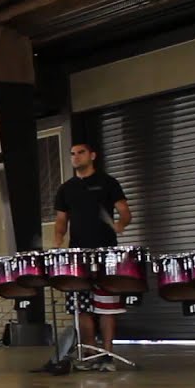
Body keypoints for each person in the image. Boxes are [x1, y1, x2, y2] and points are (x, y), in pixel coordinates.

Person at [54, 141, 132, 372]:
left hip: (106, 252)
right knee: (82, 307)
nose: (76, 157)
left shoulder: (108, 182)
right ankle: (89, 353)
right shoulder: (66, 189)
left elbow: (126, 212)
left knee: (106, 307)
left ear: (93, 155)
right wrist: (58, 239)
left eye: (81, 153)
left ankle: (107, 355)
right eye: (72, 154)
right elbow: (61, 221)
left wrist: (120, 224)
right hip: (78, 254)